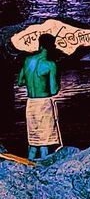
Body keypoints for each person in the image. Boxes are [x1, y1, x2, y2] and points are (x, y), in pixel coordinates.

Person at [18, 33, 62, 161]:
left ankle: (28, 168)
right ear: (51, 47)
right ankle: (45, 171)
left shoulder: (27, 61)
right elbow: (54, 90)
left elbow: (20, 82)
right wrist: (58, 79)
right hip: (44, 104)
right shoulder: (50, 65)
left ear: (40, 44)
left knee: (33, 142)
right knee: (44, 142)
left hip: (30, 103)